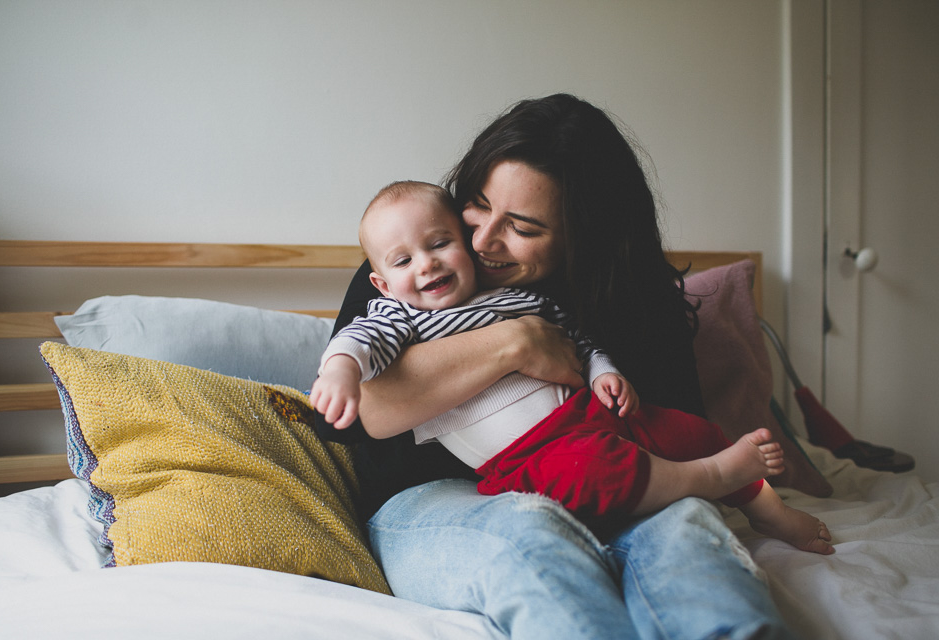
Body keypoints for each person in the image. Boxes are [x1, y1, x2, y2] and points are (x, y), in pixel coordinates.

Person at [316, 94, 815, 639]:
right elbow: (358, 411)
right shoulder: (406, 259)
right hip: (435, 498)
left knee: (687, 527)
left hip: (605, 471)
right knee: (531, 533)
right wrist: (516, 342)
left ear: (583, 237)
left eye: (523, 228)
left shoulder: (633, 299)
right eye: (479, 204)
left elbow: (674, 438)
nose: (481, 241)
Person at [311, 180, 832, 551]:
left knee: (690, 430)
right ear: (382, 281)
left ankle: (768, 510)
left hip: (592, 412)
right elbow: (360, 344)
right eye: (403, 261)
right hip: (527, 457)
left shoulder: (516, 295)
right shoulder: (398, 314)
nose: (425, 264)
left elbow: (576, 340)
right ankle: (711, 477)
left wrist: (604, 370)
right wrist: (339, 372)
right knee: (595, 475)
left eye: (440, 243)